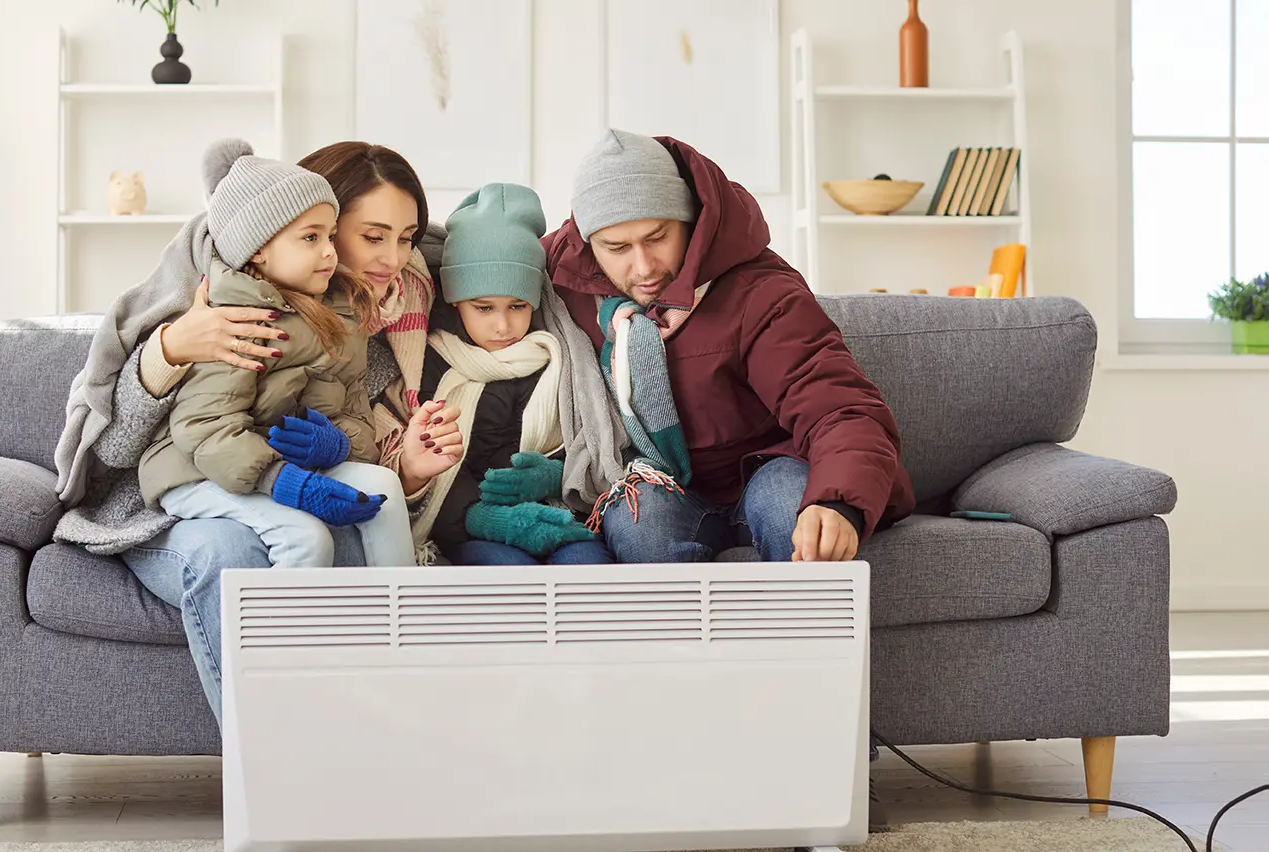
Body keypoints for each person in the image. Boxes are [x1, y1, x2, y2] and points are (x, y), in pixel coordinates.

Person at [53, 141, 469, 728]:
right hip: (178, 490)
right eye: (371, 236)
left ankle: (394, 706)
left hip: (287, 483)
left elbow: (354, 435)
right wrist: (169, 351)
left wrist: (394, 466)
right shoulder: (218, 298)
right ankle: (270, 754)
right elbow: (120, 449)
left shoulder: (371, 314)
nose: (394, 259)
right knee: (237, 552)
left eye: (407, 239)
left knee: (360, 510)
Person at [543, 129, 916, 567]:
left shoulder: (762, 292)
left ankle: (802, 636)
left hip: (770, 469)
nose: (642, 266)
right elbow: (479, 268)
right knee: (638, 519)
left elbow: (838, 407)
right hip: (658, 485)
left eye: (659, 237)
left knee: (789, 509)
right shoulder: (565, 282)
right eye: (617, 247)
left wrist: (838, 503)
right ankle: (674, 639)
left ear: (691, 222)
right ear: (589, 245)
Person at [136, 140, 413, 569]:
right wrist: (282, 480)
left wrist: (339, 444)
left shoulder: (342, 313)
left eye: (329, 235)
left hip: (262, 461)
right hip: (195, 470)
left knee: (382, 487)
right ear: (259, 248)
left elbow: (355, 412)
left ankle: (402, 624)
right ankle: (291, 638)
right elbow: (204, 427)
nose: (329, 251)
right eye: (311, 238)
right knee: (305, 538)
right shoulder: (232, 318)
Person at [415, 183, 613, 566]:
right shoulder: (432, 361)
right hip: (467, 525)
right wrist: (480, 516)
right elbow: (426, 458)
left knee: (588, 566)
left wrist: (556, 475)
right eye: (484, 308)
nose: (503, 325)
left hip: (556, 510)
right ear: (456, 302)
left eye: (517, 306)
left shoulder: (560, 355)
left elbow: (591, 435)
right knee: (511, 575)